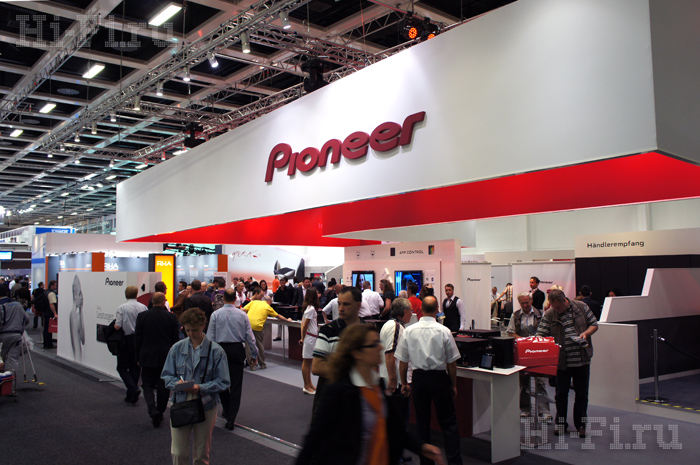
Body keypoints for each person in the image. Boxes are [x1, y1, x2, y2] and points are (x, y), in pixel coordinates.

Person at [296, 324, 445, 465]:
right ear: (357, 353)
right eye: (374, 344)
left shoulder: (377, 384)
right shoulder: (339, 389)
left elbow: (394, 428)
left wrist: (421, 447)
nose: (381, 347)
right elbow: (315, 436)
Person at [396, 296, 463, 465]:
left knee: (422, 423)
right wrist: (453, 384)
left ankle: (426, 462)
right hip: (439, 379)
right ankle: (454, 462)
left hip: (419, 379)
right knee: (449, 424)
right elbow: (451, 362)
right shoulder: (444, 331)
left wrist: (404, 383)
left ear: (421, 309)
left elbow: (403, 361)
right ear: (437, 310)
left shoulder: (409, 331)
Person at [161, 308, 230, 465]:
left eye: (195, 330)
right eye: (187, 330)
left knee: (201, 454)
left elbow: (224, 381)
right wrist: (176, 384)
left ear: (203, 326)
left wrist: (200, 387)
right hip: (181, 402)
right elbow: (166, 376)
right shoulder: (177, 348)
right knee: (178, 452)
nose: (191, 334)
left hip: (206, 404)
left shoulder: (216, 351)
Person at [536, 289, 598, 438]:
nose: (557, 310)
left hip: (582, 359)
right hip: (561, 361)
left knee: (582, 394)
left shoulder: (581, 307)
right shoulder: (550, 314)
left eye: (558, 307)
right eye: (554, 307)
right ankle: (561, 423)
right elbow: (541, 334)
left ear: (564, 300)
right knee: (560, 394)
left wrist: (585, 334)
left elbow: (594, 324)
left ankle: (581, 425)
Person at [208, 288, 257, 430]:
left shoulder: (215, 315)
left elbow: (210, 337)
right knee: (236, 385)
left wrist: (210, 355)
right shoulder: (242, 315)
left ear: (223, 299)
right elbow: (249, 336)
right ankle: (231, 418)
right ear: (235, 299)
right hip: (237, 349)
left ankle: (227, 408)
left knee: (222, 382)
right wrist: (254, 354)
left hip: (220, 350)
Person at [311, 286, 363, 417]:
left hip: (358, 401)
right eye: (339, 304)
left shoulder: (368, 331)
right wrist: (353, 371)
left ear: (358, 305)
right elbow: (317, 367)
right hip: (330, 400)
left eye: (346, 304)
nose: (341, 308)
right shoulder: (328, 330)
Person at [135, 292, 180, 427]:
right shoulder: (171, 317)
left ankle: (152, 409)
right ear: (163, 302)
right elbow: (175, 339)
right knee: (164, 385)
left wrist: (137, 356)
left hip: (147, 355)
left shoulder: (142, 316)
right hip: (165, 356)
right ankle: (160, 410)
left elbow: (138, 338)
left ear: (152, 302)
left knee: (147, 385)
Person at [507, 293, 550, 418]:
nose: (525, 305)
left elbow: (547, 331)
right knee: (523, 382)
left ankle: (544, 411)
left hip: (539, 351)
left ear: (531, 301)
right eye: (522, 303)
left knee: (540, 382)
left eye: (527, 302)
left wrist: (536, 340)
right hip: (522, 352)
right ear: (519, 303)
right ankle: (525, 409)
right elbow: (510, 332)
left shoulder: (541, 314)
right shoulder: (515, 315)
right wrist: (522, 340)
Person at [379, 297, 413, 435]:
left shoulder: (390, 325)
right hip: (395, 383)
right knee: (398, 421)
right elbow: (390, 354)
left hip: (390, 379)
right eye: (410, 311)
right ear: (405, 311)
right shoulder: (396, 327)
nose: (412, 313)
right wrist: (393, 380)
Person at [243, 287, 291, 370]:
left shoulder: (253, 302)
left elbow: (242, 310)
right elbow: (278, 316)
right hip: (258, 327)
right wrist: (288, 320)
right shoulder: (267, 307)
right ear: (269, 302)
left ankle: (252, 365)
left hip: (248, 326)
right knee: (259, 345)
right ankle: (262, 364)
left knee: (248, 346)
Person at [115, 285, 148, 403]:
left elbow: (117, 326)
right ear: (136, 294)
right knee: (135, 367)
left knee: (121, 367)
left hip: (126, 340)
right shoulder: (143, 307)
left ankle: (133, 388)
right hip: (139, 340)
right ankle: (131, 395)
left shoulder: (122, 307)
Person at [0, 284, 31, 395]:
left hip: (2, 336)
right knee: (13, 361)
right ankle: (10, 389)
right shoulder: (17, 305)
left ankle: (1, 386)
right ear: (8, 293)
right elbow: (27, 319)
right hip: (17, 335)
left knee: (1, 360)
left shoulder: (1, 305)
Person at [299, 288, 320, 394]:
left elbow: (303, 324)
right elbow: (304, 325)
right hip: (310, 338)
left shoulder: (309, 308)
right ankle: (306, 386)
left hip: (311, 337)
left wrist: (303, 337)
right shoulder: (311, 309)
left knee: (309, 361)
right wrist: (303, 338)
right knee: (306, 362)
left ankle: (309, 384)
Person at [43, 280, 58, 349]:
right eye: (55, 285)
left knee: (46, 329)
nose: (56, 286)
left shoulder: (46, 292)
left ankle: (46, 343)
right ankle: (49, 344)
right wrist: (55, 313)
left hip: (45, 312)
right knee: (49, 329)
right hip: (49, 313)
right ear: (52, 285)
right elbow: (51, 304)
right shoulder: (51, 293)